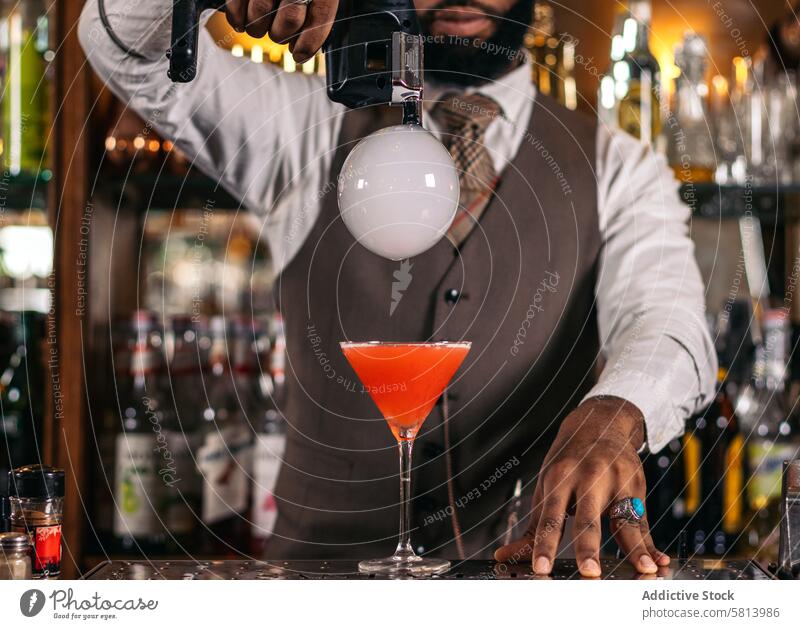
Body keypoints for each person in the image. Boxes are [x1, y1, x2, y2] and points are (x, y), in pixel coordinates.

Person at [78, 0, 716, 577]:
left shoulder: (618, 166)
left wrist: (620, 410)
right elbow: (119, 44)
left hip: (525, 587)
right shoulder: (306, 128)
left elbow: (666, 318)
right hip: (314, 594)